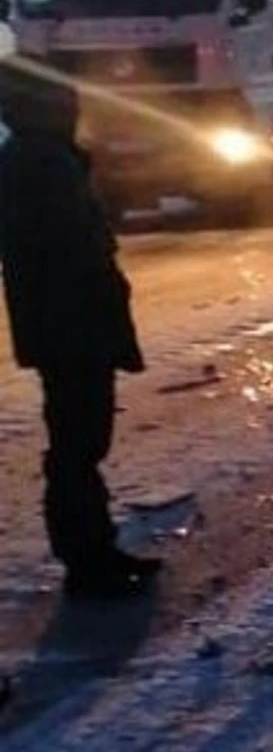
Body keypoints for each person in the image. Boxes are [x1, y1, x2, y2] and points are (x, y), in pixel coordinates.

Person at [0, 57, 162, 600]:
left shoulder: (42, 158)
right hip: (69, 329)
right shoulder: (38, 163)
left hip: (68, 327)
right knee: (76, 442)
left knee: (82, 440)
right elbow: (68, 251)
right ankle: (87, 560)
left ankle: (95, 549)